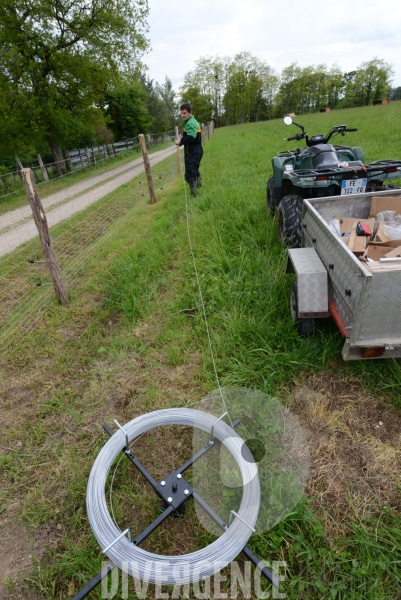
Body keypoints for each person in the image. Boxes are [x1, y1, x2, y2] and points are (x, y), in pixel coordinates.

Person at [175, 102, 203, 197]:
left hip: (193, 152)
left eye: (185, 113)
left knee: (190, 173)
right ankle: (199, 188)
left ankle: (194, 196)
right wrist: (182, 142)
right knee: (195, 170)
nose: (182, 115)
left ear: (190, 112)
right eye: (181, 113)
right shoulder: (193, 121)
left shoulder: (190, 123)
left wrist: (180, 141)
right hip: (197, 151)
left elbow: (191, 137)